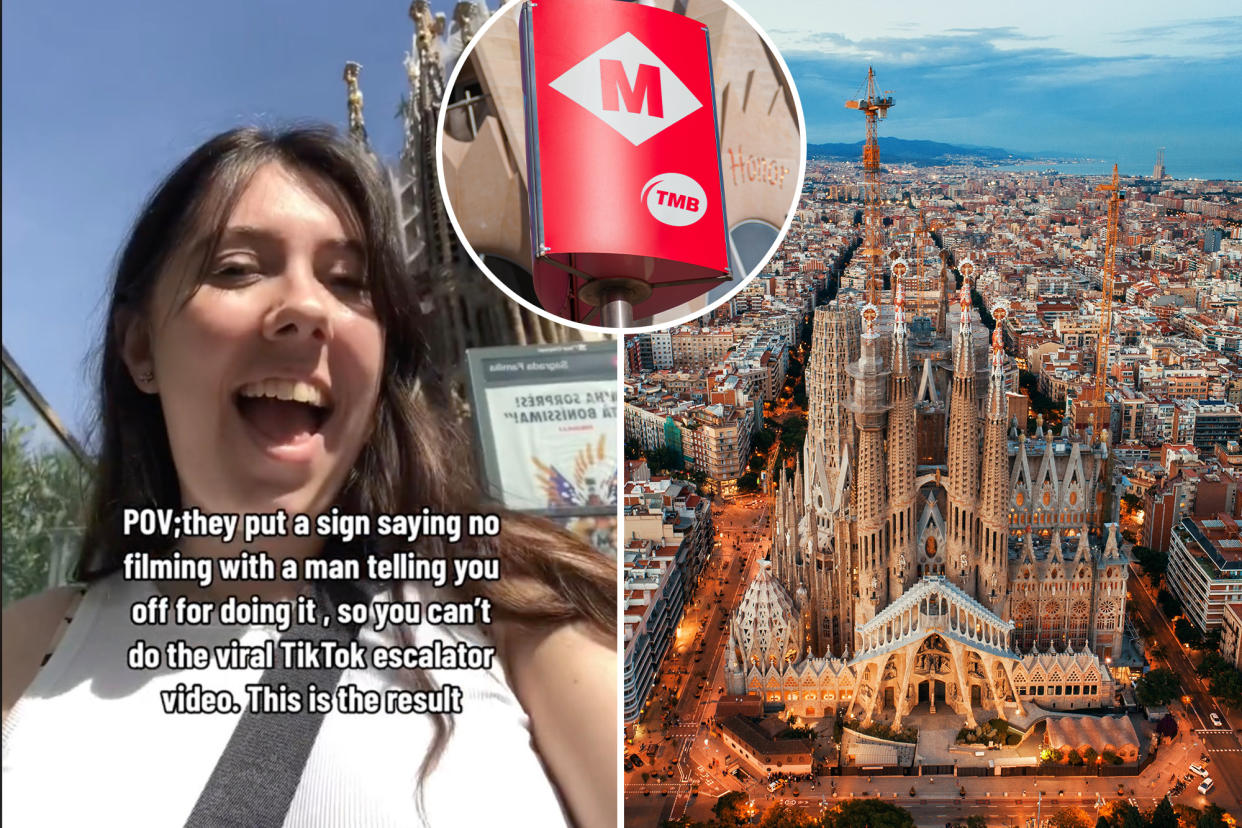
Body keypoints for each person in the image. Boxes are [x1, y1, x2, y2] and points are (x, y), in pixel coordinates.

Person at [1, 126, 617, 827]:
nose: (307, 308)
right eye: (235, 268)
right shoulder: (32, 648)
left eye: (349, 282)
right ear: (141, 348)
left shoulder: (509, 607)